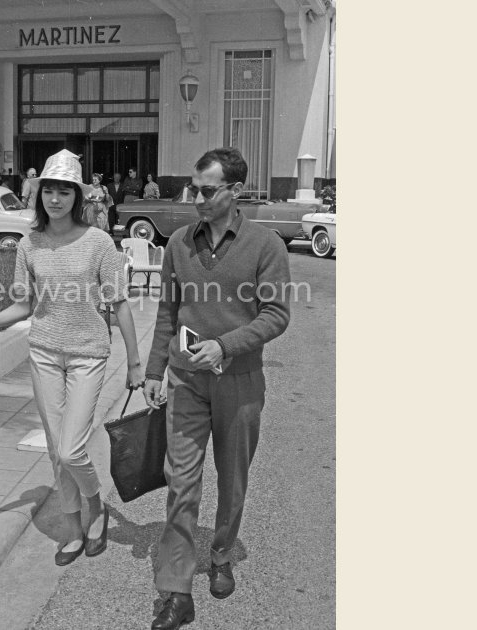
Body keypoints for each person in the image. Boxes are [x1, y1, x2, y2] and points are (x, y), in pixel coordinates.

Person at [0, 149, 146, 567]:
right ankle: (73, 525)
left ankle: (96, 504)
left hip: (88, 356)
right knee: (55, 449)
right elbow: (23, 306)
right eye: (49, 191)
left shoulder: (99, 243)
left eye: (64, 191)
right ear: (39, 194)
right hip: (43, 354)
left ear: (77, 197)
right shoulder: (29, 244)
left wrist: (134, 362)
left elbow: (120, 302)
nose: (55, 199)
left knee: (71, 450)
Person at [141, 147, 291, 629]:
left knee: (233, 476)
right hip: (185, 381)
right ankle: (177, 590)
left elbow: (276, 314)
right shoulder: (179, 243)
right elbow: (168, 311)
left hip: (240, 382)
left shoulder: (267, 246)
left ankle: (222, 553)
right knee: (181, 482)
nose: (196, 198)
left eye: (207, 190)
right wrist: (153, 369)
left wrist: (225, 346)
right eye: (193, 189)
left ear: (235, 191)